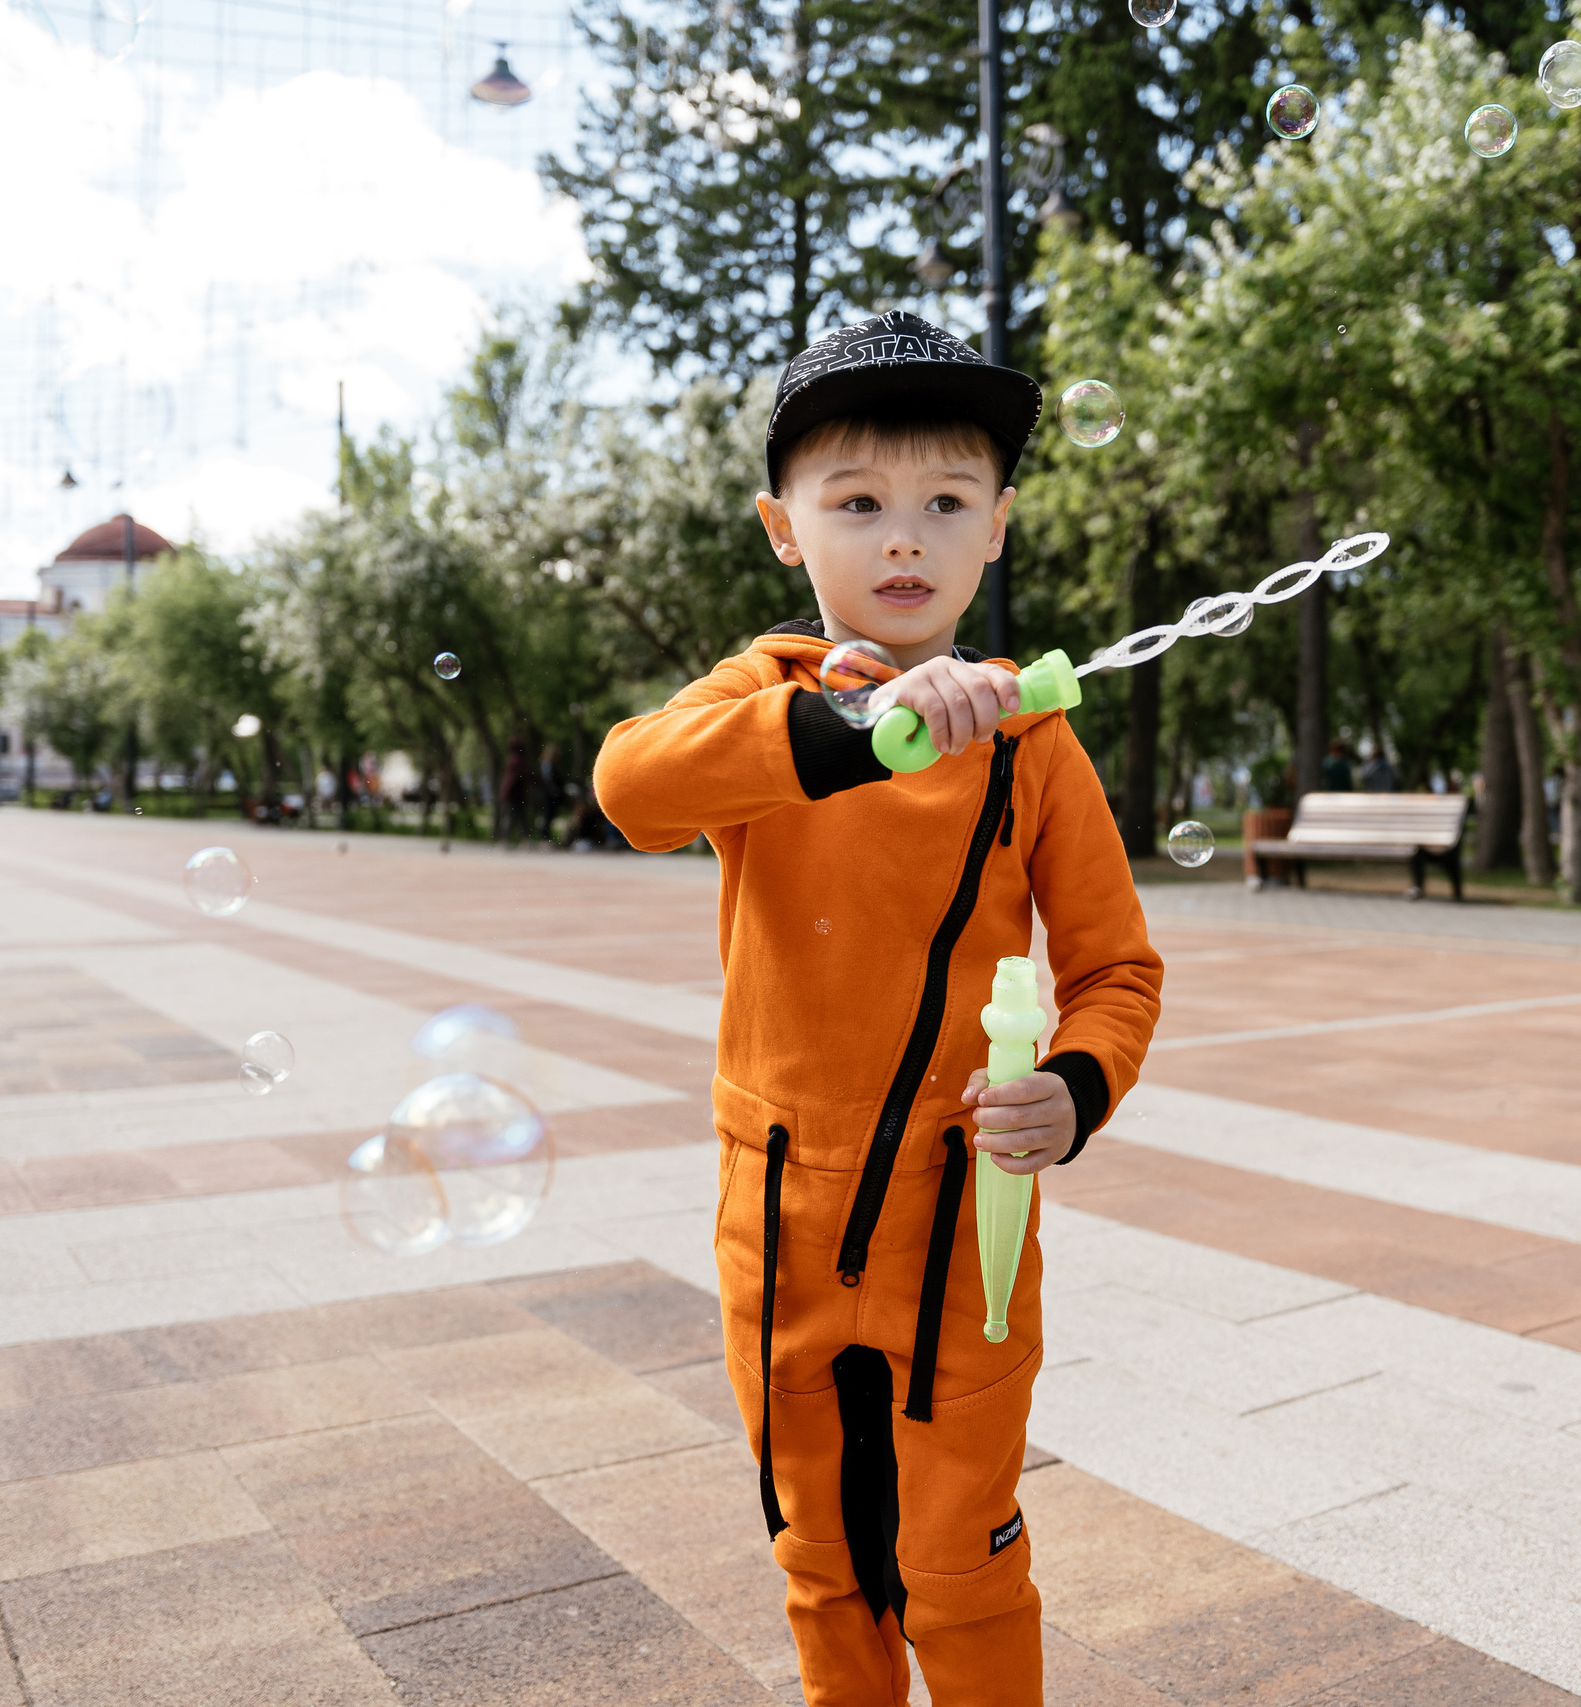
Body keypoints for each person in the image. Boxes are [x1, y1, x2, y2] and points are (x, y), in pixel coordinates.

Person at [595, 312, 1163, 1707]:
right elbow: (629, 785)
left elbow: (1116, 971)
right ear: (785, 529)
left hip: (958, 1218)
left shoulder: (1030, 737)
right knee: (822, 1551)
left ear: (998, 530)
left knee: (956, 1557)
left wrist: (1075, 1088)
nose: (901, 538)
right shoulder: (766, 702)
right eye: (857, 504)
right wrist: (854, 728)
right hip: (779, 1205)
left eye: (943, 503)